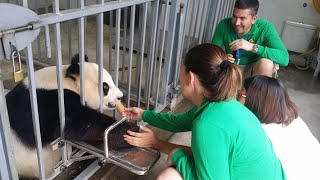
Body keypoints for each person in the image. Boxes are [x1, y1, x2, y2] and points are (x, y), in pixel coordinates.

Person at [123, 43, 286, 180]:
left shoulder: (208, 124)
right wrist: (144, 114)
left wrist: (171, 151)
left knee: (169, 175)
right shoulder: (225, 103)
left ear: (190, 78)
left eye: (181, 71)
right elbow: (180, 122)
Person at [239, 75, 320, 180]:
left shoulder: (259, 134)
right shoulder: (292, 117)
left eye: (241, 93)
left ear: (254, 100)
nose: (237, 97)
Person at [211, 0, 289, 78]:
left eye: (242, 18)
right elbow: (211, 52)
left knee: (266, 64)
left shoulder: (265, 27)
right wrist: (222, 57)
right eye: (234, 16)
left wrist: (252, 47)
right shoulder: (224, 24)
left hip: (254, 70)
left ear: (254, 19)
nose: (237, 23)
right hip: (231, 68)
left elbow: (284, 59)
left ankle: (256, 89)